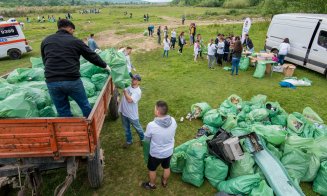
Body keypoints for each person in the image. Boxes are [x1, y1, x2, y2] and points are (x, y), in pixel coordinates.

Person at [41, 19, 110, 118]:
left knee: (62, 110)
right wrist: (105, 65)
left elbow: (45, 60)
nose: (73, 33)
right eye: (73, 31)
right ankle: (90, 129)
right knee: (84, 105)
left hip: (52, 81)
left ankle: (69, 130)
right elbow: (91, 56)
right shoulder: (75, 41)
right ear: (69, 28)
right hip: (71, 80)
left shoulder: (46, 40)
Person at [142, 101, 177, 190]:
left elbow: (146, 139)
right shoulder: (173, 120)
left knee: (152, 169)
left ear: (157, 112)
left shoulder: (151, 125)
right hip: (169, 151)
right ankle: (164, 182)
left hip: (156, 154)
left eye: (155, 108)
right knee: (166, 167)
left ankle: (152, 184)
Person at [119, 74, 144, 148]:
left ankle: (143, 140)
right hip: (124, 112)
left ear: (139, 82)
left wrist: (124, 91)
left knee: (138, 128)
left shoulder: (138, 92)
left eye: (135, 79)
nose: (133, 80)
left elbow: (129, 100)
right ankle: (129, 141)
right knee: (126, 129)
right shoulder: (128, 86)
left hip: (132, 115)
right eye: (133, 78)